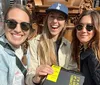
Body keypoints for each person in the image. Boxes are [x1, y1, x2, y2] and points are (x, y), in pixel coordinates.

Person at [26, 2, 77, 85]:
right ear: (47, 19)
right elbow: (28, 77)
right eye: (52, 16)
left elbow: (73, 72)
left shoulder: (69, 46)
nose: (55, 21)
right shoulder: (34, 43)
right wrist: (36, 77)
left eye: (60, 18)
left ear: (65, 23)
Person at [0, 4, 34, 85]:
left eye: (24, 25)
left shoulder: (25, 47)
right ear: (4, 24)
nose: (18, 30)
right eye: (11, 23)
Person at [71, 10, 100, 85]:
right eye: (80, 26)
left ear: (97, 29)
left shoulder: (94, 56)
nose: (83, 30)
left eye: (89, 27)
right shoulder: (83, 50)